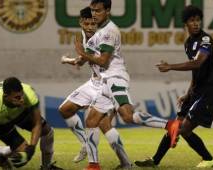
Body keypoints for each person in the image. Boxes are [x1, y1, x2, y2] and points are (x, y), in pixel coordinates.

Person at [74, 0, 181, 169]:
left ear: (108, 11)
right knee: (92, 120)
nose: (94, 14)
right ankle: (93, 165)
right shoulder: (100, 30)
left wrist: (82, 54)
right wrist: (80, 57)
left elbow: (103, 60)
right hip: (106, 80)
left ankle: (170, 125)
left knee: (127, 116)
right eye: (93, 10)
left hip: (115, 78)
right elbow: (92, 55)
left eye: (98, 11)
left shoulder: (109, 31)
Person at [134, 5, 213, 168]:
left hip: (208, 91)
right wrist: (188, 93)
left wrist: (170, 66)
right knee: (175, 126)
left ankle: (208, 158)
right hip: (196, 92)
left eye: (197, 20)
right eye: (192, 20)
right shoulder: (188, 43)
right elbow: (196, 72)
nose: (196, 23)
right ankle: (155, 160)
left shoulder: (206, 40)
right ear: (186, 24)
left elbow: (198, 63)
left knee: (184, 129)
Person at [58, 6, 131, 170]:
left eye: (93, 23)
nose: (90, 27)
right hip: (93, 82)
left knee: (103, 124)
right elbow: (82, 60)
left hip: (108, 84)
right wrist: (69, 60)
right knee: (65, 109)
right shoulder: (85, 36)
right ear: (81, 23)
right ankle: (85, 144)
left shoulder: (104, 35)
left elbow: (94, 59)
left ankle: (124, 163)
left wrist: (75, 58)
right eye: (87, 24)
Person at [0, 77, 63, 170]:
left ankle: (46, 167)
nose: (22, 99)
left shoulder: (29, 93)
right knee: (22, 153)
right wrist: (27, 151)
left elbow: (37, 124)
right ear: (6, 96)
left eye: (22, 95)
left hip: (20, 112)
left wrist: (32, 148)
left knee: (47, 131)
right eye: (17, 97)